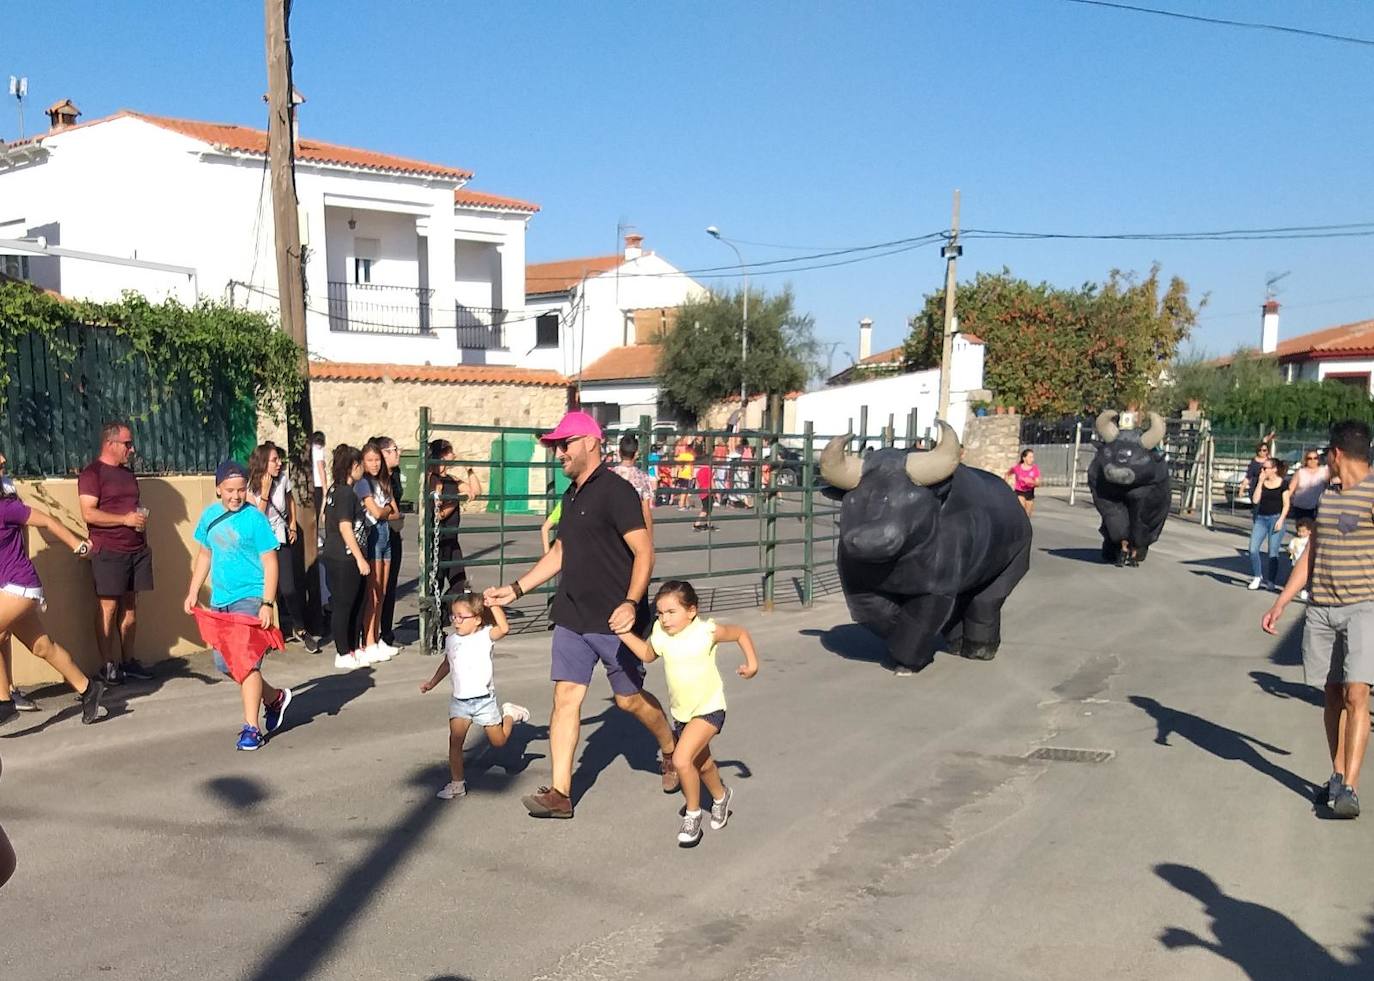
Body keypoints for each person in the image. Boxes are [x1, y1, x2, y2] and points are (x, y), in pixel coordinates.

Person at [484, 410, 679, 820]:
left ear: (591, 442)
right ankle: (561, 793)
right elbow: (560, 552)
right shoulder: (570, 495)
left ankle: (670, 747)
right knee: (565, 698)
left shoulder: (616, 492)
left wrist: (631, 601)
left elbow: (645, 551)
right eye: (555, 445)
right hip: (573, 615)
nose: (559, 453)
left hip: (615, 619)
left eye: (565, 443)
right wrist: (516, 589)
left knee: (628, 701)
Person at [1262, 420, 1374, 819]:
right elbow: (1311, 554)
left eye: (1327, 452)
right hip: (1321, 608)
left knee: (1357, 694)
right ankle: (1337, 772)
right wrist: (1282, 602)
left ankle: (1351, 788)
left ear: (1337, 453)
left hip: (1364, 606)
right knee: (1330, 696)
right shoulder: (1328, 496)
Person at [614, 580, 759, 847]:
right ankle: (720, 796)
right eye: (660, 613)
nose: (664, 619)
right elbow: (647, 654)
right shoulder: (660, 633)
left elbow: (739, 633)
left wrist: (752, 664)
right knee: (702, 764)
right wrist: (624, 634)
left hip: (709, 709)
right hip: (682, 714)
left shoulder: (707, 631)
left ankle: (692, 816)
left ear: (691, 611)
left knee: (682, 760)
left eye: (671, 612)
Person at [185, 460, 293, 751]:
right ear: (218, 488)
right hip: (221, 600)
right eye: (230, 490)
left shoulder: (254, 520)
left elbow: (271, 563)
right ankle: (273, 698)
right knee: (224, 663)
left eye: (241, 490)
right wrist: (194, 590)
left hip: (251, 597)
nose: (236, 496)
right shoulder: (209, 516)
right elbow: (205, 555)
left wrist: (267, 603)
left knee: (245, 661)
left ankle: (251, 728)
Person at [0, 453, 105, 727]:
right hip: (9, 585)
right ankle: (88, 689)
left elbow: (45, 520)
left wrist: (77, 545)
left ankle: (3, 702)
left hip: (20, 585)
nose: (2, 461)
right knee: (42, 646)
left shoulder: (6, 507)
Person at [419, 593, 531, 799]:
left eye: (461, 617)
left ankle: (509, 714)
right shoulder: (451, 639)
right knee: (455, 741)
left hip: (484, 700)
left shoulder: (485, 636)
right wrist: (432, 683)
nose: (456, 621)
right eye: (453, 616)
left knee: (498, 742)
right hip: (460, 701)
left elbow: (505, 628)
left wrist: (494, 604)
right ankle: (457, 783)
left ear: (477, 619)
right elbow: (447, 663)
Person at [78, 420, 155, 685]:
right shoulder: (92, 474)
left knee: (131, 608)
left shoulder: (128, 474)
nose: (131, 449)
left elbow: (133, 506)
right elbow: (89, 513)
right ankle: (107, 665)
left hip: (136, 549)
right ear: (110, 444)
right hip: (109, 550)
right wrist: (124, 520)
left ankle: (128, 661)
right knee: (108, 609)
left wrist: (138, 519)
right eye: (127, 444)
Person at [247, 442, 319, 654]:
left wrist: (293, 523)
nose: (279, 464)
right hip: (260, 543)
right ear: (263, 462)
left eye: (279, 459)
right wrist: (266, 493)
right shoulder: (250, 486)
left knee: (288, 587)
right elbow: (256, 519)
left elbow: (290, 502)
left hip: (280, 538)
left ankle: (300, 628)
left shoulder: (283, 480)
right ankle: (267, 633)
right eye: (274, 460)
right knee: (265, 590)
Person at [322, 445, 372, 670]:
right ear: (353, 467)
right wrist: (360, 558)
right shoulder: (343, 493)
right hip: (344, 557)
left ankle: (353, 648)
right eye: (360, 464)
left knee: (357, 602)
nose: (362, 469)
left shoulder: (337, 490)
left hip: (344, 555)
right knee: (344, 604)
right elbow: (344, 527)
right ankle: (343, 651)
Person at [356, 441, 399, 663]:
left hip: (385, 535)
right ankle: (368, 640)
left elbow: (395, 513)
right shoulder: (363, 484)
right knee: (372, 593)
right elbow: (376, 512)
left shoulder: (383, 482)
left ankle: (376, 638)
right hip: (373, 534)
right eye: (370, 460)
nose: (374, 464)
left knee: (382, 590)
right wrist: (385, 511)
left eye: (377, 460)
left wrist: (385, 511)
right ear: (363, 462)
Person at [427, 440, 471, 604]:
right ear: (443, 455)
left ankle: (443, 616)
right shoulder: (433, 479)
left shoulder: (451, 479)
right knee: (435, 583)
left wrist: (470, 469)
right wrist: (455, 501)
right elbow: (439, 514)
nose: (454, 455)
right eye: (451, 452)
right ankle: (434, 622)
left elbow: (475, 491)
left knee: (459, 583)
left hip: (452, 539)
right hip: (438, 539)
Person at [373, 436, 406, 650]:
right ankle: (376, 634)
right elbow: (388, 511)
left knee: (390, 585)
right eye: (394, 449)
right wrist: (392, 514)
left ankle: (386, 632)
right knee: (379, 588)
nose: (398, 453)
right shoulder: (378, 480)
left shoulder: (395, 475)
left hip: (394, 534)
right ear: (383, 453)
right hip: (380, 535)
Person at [1248, 458, 1290, 591]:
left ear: (1274, 469)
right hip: (1261, 518)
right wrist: (1260, 482)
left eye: (1265, 468)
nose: (1263, 470)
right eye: (1262, 468)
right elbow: (1255, 500)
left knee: (1273, 552)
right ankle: (1257, 576)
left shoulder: (1283, 483)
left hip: (1276, 518)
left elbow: (1286, 504)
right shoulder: (1261, 482)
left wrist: (1281, 520)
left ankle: (1271, 580)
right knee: (1253, 549)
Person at [611, 434, 655, 532]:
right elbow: (646, 511)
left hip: (613, 528)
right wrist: (650, 539)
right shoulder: (642, 478)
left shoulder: (610, 475)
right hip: (635, 527)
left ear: (619, 452)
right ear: (636, 454)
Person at [1288, 449, 1329, 523]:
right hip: (1300, 507)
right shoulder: (1300, 472)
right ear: (1306, 460)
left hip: (1318, 508)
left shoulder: (1324, 471)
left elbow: (1329, 488)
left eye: (1315, 458)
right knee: (1302, 530)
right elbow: (1290, 489)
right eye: (1309, 458)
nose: (1312, 460)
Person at [1006, 449, 1041, 517]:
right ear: (1024, 458)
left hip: (1030, 492)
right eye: (1030, 457)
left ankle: (1025, 527)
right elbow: (1008, 473)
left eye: (1033, 457)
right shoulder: (1017, 468)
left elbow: (1038, 483)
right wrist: (1006, 483)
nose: (1032, 459)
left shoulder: (1034, 469)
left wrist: (1031, 481)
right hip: (1019, 492)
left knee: (1027, 516)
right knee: (1022, 513)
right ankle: (1018, 526)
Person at [1288, 516, 1315, 602]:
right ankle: (1294, 589)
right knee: (1295, 577)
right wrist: (1290, 550)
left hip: (1307, 562)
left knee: (1307, 577)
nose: (1301, 533)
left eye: (1303, 531)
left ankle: (1305, 589)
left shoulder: (1310, 540)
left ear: (1309, 531)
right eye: (1299, 531)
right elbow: (1290, 548)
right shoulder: (1295, 540)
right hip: (1296, 562)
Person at [310, 431, 327, 529]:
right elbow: (321, 468)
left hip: (311, 483)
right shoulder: (319, 449)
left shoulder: (311, 450)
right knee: (317, 511)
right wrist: (325, 487)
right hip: (318, 484)